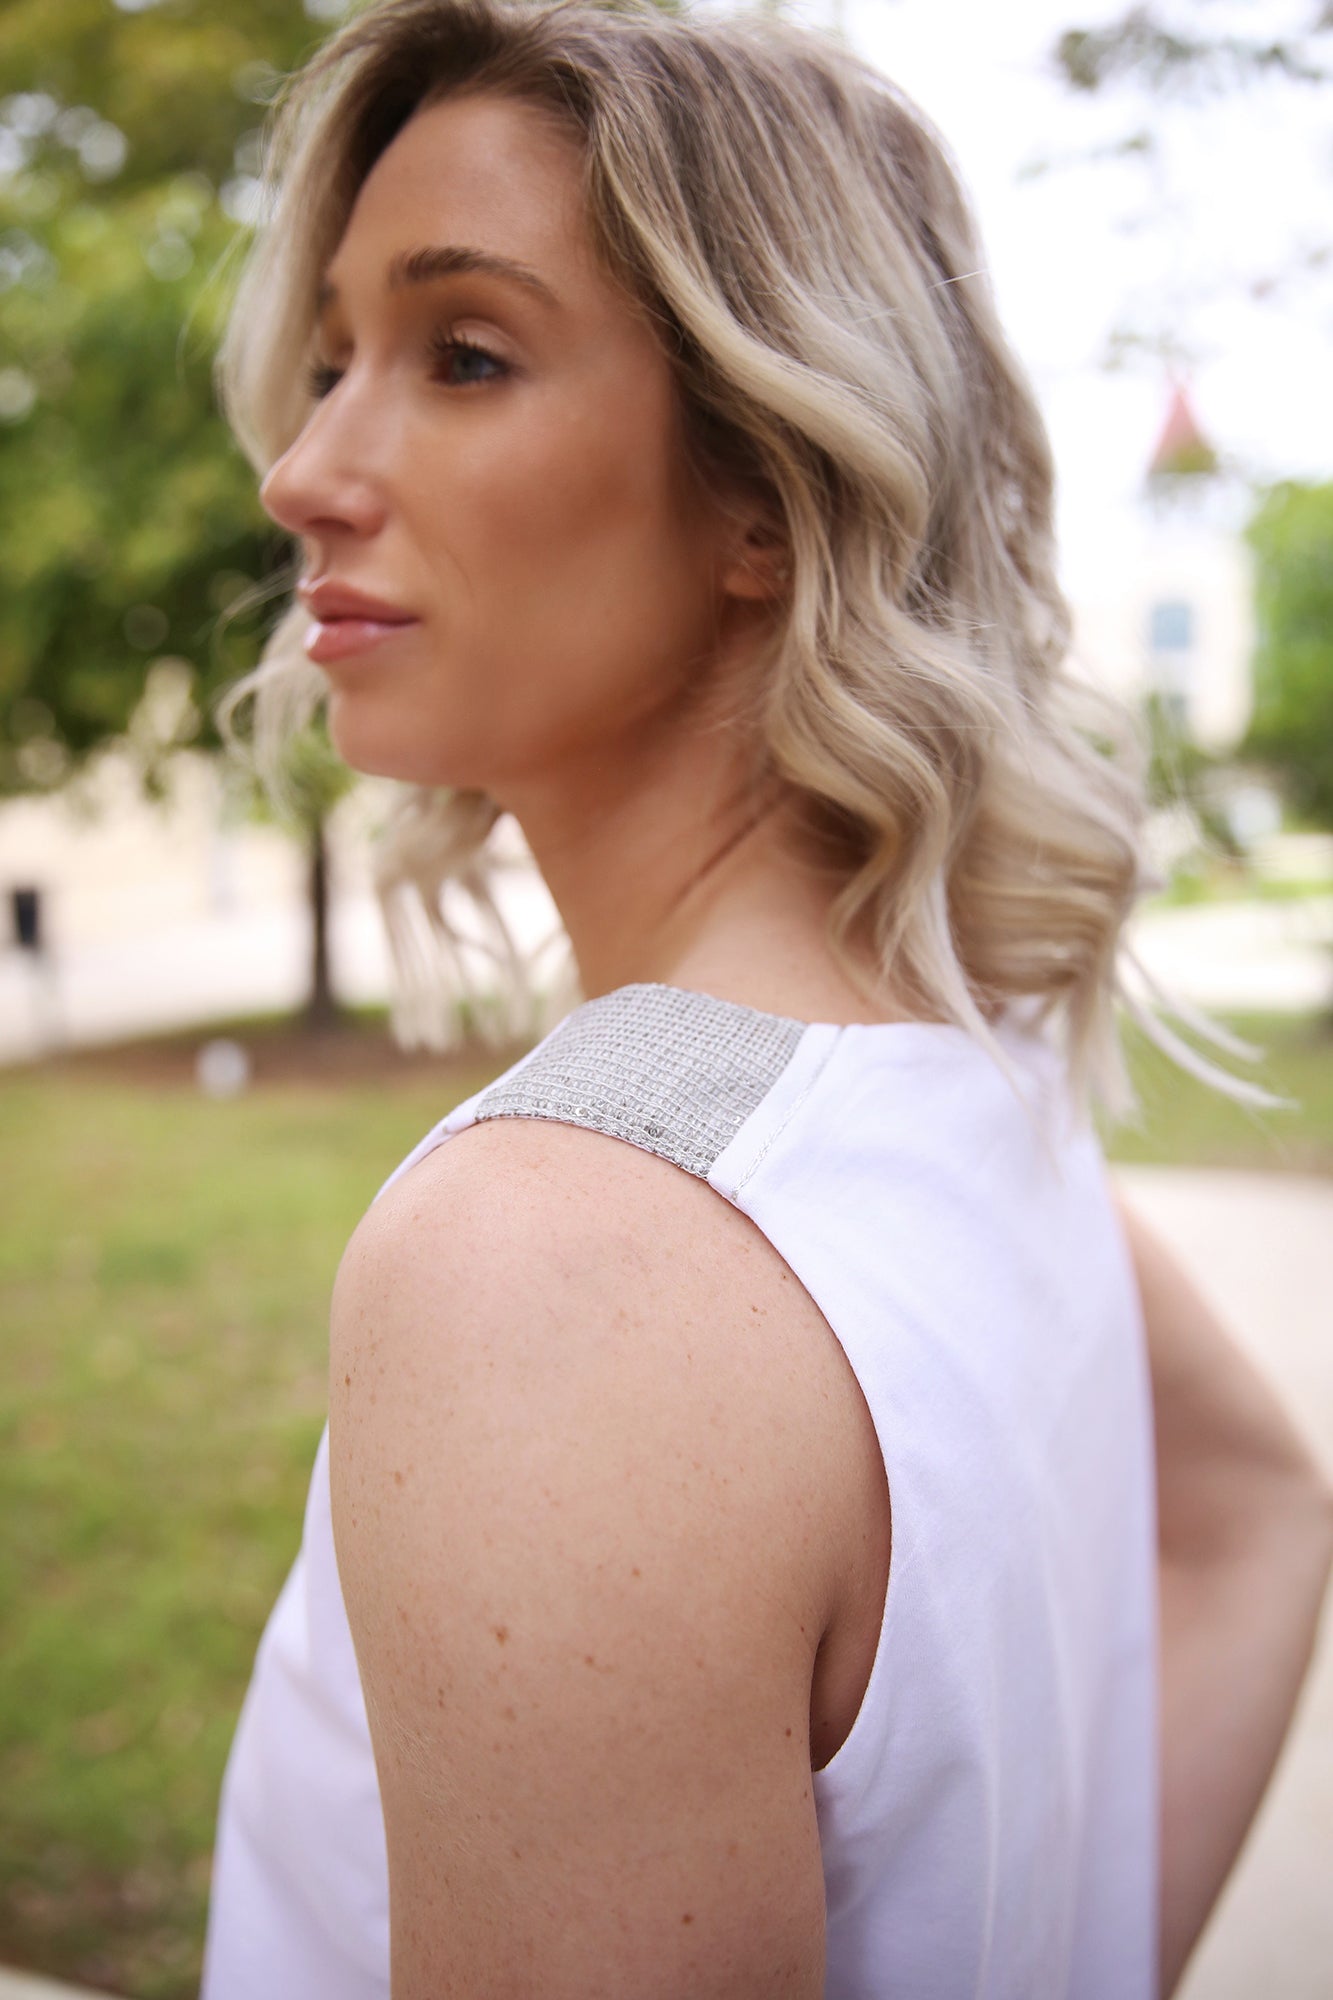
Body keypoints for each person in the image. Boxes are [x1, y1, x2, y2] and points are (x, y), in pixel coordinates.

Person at [200, 3, 1333, 1995]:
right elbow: (1259, 1514)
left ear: (769, 486)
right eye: (328, 364)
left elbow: (1257, 1520)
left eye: (464, 353)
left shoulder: (556, 1264)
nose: (303, 473)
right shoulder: (966, 1067)